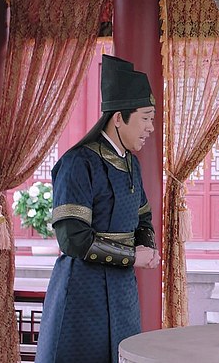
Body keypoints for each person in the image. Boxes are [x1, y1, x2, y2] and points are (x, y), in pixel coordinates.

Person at [36, 56, 161, 363]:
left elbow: (143, 217)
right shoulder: (78, 163)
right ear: (118, 118)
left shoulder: (131, 164)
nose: (150, 127)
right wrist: (132, 256)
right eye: (145, 118)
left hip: (122, 290)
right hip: (82, 290)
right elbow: (73, 239)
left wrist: (146, 246)